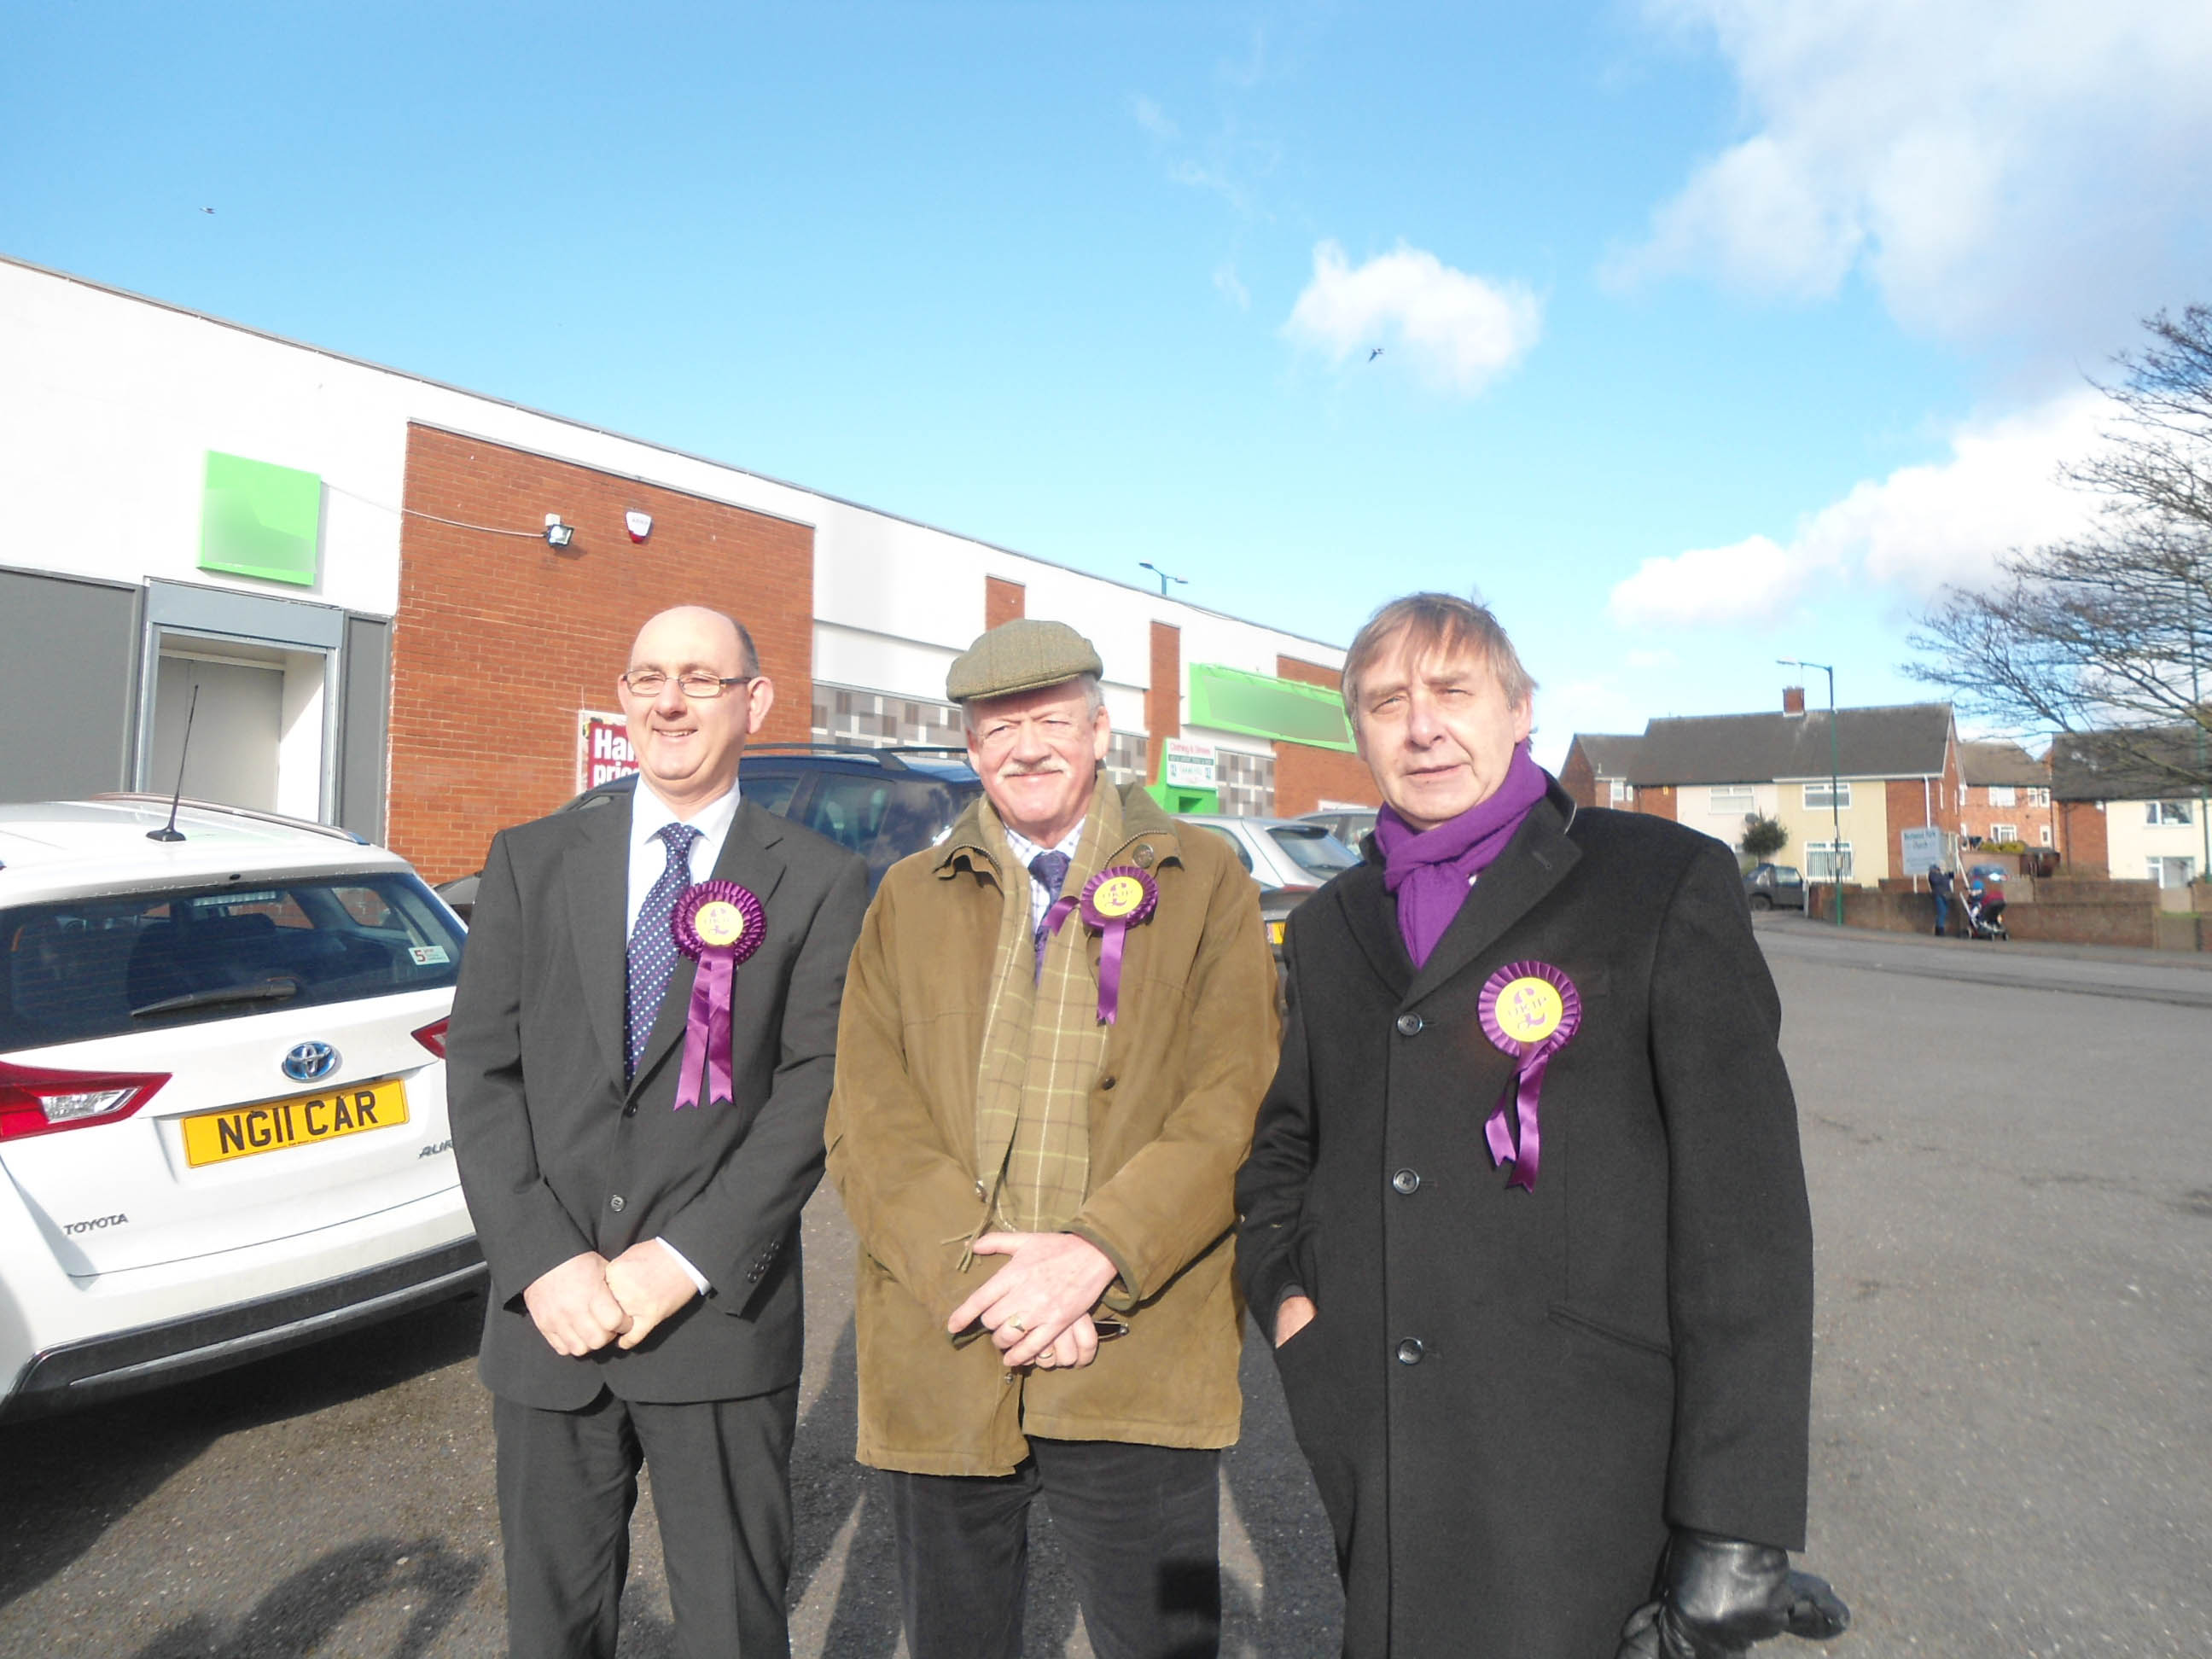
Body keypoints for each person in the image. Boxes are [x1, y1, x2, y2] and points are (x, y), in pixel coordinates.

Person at [1235, 593, 1848, 1659]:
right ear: (1359, 733)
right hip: (1383, 1444)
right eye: (1387, 703)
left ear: (1521, 711)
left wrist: (1737, 1526)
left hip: (1589, 1468)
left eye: (1452, 692)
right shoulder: (1332, 924)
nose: (1423, 727)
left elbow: (1745, 1215)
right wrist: (1290, 1299)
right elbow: (1288, 1141)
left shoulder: (1658, 881)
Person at [824, 619, 1279, 1659]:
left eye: (1051, 722)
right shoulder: (906, 898)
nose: (1026, 748)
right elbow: (868, 1116)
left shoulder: (1205, 879)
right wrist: (993, 1288)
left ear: (1101, 731)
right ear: (971, 749)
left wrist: (1091, 1260)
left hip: (1136, 1350)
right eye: (999, 728)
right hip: (949, 1346)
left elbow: (1234, 1102)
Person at [448, 605, 867, 1658]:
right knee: (552, 1629)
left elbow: (813, 1089)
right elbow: (482, 1074)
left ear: (754, 702)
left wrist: (682, 1259)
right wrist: (541, 1260)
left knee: (732, 1626)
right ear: (624, 699)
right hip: (550, 1320)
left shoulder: (818, 880)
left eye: (699, 679)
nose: (669, 703)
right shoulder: (531, 859)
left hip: (714, 1322)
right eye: (647, 679)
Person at [1930, 864, 1955, 936]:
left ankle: (1938, 928)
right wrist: (1942, 875)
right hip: (1939, 895)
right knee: (1942, 911)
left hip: (1946, 895)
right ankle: (1940, 929)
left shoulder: (1944, 874)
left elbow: (1951, 876)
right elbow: (1935, 881)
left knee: (1945, 911)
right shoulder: (1932, 875)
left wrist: (1951, 869)